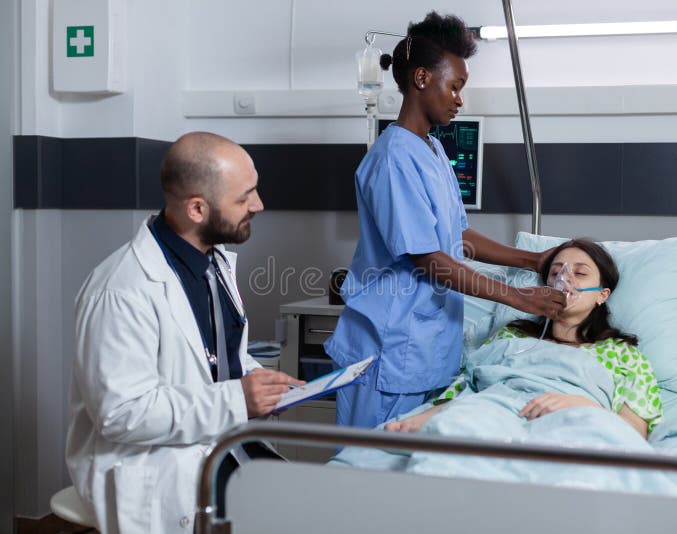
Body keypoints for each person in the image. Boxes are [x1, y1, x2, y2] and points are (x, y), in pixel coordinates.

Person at [324, 11, 566, 430]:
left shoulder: (434, 152)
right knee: (370, 475)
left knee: (416, 476)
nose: (459, 99)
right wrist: (519, 298)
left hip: (428, 350)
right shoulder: (393, 159)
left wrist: (532, 261)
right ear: (421, 79)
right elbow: (429, 260)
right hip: (389, 354)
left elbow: (458, 236)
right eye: (454, 87)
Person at [65, 132, 303, 534]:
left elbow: (218, 356)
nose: (258, 205)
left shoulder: (213, 264)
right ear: (197, 208)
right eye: (244, 197)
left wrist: (260, 384)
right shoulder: (121, 290)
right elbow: (122, 414)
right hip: (155, 467)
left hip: (215, 443)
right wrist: (238, 399)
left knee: (303, 498)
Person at [386, 239, 663, 439]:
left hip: (575, 425)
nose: (564, 280)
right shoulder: (512, 336)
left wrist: (581, 404)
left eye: (579, 273)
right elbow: (470, 387)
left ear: (602, 294)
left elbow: (634, 435)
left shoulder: (624, 355)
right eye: (555, 273)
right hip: (487, 414)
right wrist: (432, 415)